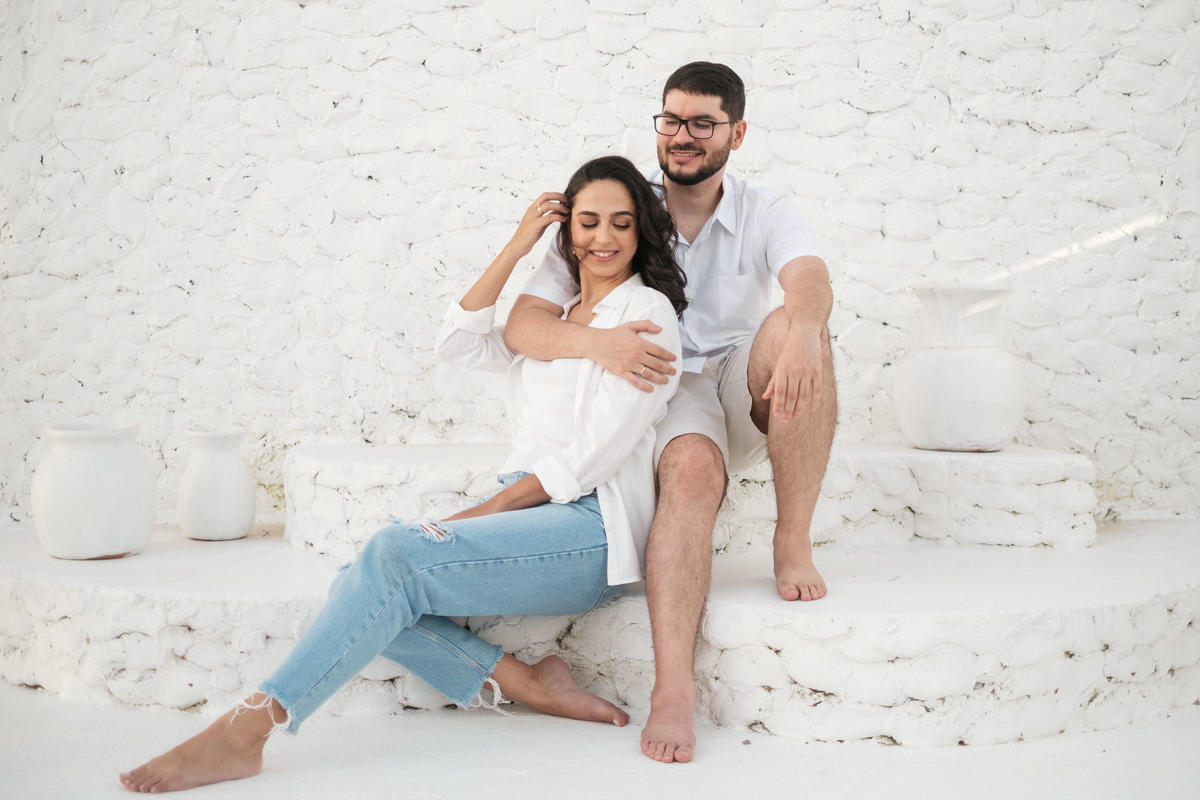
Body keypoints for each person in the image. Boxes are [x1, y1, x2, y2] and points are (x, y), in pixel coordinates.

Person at [118, 155, 687, 793]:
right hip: (527, 508)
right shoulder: (552, 321)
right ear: (567, 231)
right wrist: (516, 244)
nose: (604, 238)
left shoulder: (647, 313)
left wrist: (484, 512)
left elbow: (594, 457)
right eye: (588, 222)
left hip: (589, 527)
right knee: (358, 580)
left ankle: (248, 728)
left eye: (621, 223)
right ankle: (527, 682)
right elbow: (458, 342)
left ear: (640, 231)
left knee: (393, 557)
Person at [503, 62, 838, 764]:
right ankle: (674, 690)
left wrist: (807, 327)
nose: (683, 136)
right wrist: (600, 343)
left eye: (703, 123)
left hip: (743, 381)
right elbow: (524, 325)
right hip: (668, 383)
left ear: (736, 134)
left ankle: (791, 539)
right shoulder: (621, 210)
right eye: (672, 119)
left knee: (797, 325)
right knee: (690, 470)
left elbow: (807, 273)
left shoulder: (764, 209)